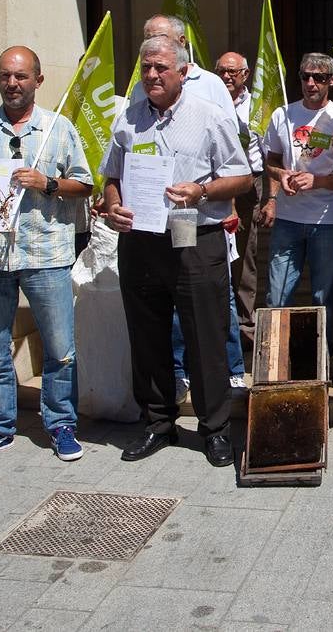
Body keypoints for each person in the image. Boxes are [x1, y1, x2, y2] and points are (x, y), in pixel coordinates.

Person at [101, 34, 252, 467]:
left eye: (161, 68)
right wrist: (113, 205)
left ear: (183, 72)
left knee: (205, 336)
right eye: (146, 67)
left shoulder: (209, 117)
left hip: (194, 239)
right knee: (147, 336)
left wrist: (201, 189)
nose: (151, 75)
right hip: (140, 242)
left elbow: (242, 177)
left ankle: (215, 429)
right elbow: (112, 175)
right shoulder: (127, 119)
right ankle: (158, 424)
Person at [0, 46, 94, 465]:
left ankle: (61, 423)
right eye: (5, 76)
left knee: (60, 347)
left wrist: (47, 183)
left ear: (38, 81)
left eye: (21, 76)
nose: (12, 84)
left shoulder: (58, 129)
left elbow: (85, 184)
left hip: (47, 252)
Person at [143, 14, 244, 397]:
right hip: (155, 223)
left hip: (201, 221)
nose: (152, 58)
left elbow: (231, 155)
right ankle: (180, 370)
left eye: (160, 40)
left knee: (215, 302)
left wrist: (225, 202)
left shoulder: (212, 87)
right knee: (170, 303)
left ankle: (231, 368)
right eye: (146, 42)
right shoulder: (142, 91)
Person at [260, 54, 333, 342]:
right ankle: (275, 369)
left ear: (331, 80)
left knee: (322, 297)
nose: (310, 83)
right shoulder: (282, 114)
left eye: (318, 77)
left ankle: (321, 368)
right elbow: (270, 162)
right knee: (277, 295)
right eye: (305, 76)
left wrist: (319, 180)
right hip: (287, 219)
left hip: (327, 220)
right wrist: (278, 180)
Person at [215, 50, 262, 368]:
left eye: (233, 71)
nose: (227, 76)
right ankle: (219, 324)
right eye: (221, 70)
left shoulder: (258, 104)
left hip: (248, 183)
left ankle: (245, 327)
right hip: (213, 183)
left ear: (245, 75)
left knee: (245, 258)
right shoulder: (205, 97)